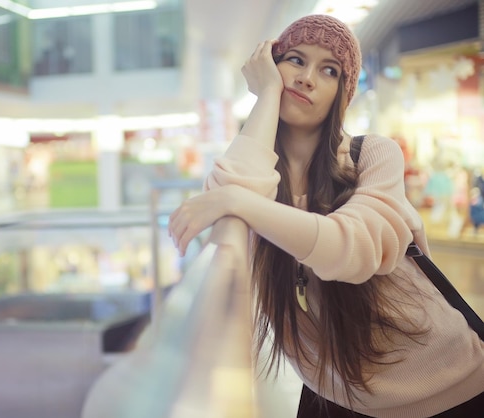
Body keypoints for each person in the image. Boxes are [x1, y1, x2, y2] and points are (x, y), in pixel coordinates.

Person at [168, 14, 484, 418]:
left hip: (445, 388)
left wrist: (240, 203)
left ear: (342, 94)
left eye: (328, 70)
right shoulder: (259, 164)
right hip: (336, 395)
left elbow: (349, 251)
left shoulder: (372, 155)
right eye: (295, 60)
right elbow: (236, 189)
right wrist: (266, 96)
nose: (306, 78)